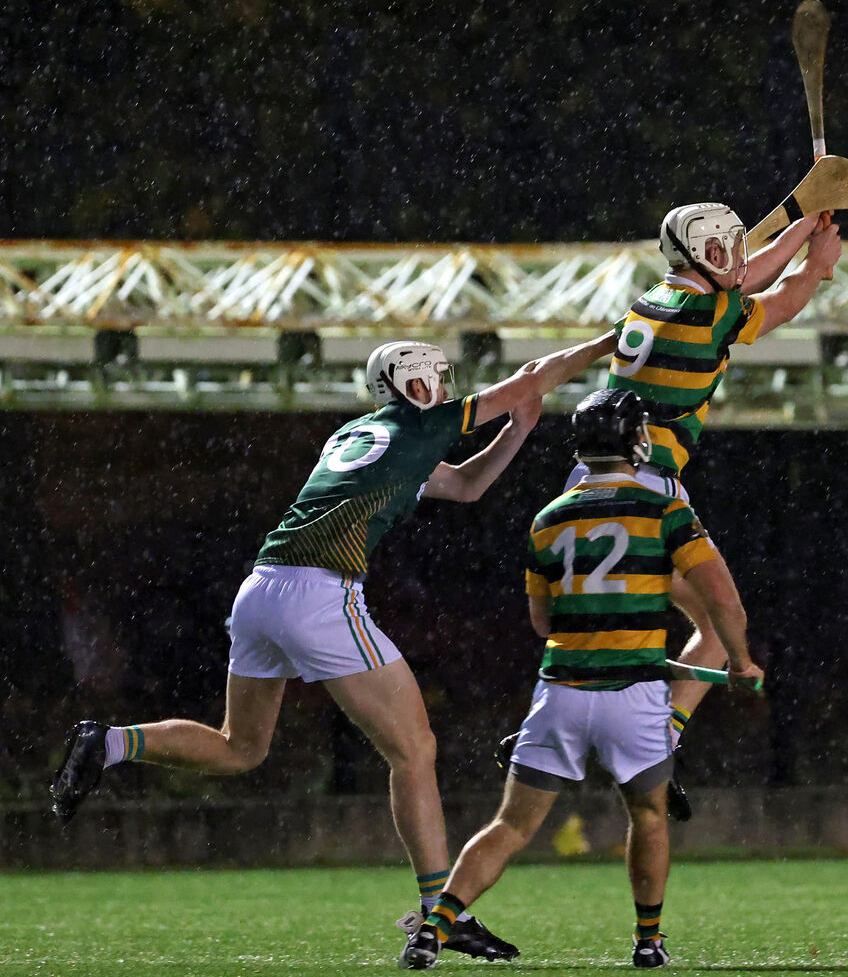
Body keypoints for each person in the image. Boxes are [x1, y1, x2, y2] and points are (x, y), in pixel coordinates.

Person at [50, 332, 615, 964]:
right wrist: (618, 335)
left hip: (261, 587)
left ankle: (111, 742)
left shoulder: (354, 434)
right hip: (319, 595)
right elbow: (539, 372)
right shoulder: (423, 421)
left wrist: (516, 430)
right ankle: (439, 911)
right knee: (415, 749)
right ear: (415, 384)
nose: (448, 388)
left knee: (242, 747)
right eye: (439, 378)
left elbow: (462, 486)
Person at [398, 388, 764, 970]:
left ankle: (433, 929)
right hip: (636, 695)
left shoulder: (547, 519)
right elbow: (725, 603)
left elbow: (544, 621)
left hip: (560, 691)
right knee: (646, 814)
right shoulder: (665, 511)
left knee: (511, 826)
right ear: (636, 441)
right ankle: (648, 941)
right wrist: (741, 664)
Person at [603, 200, 840, 774]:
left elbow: (743, 276)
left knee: (601, 620)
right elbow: (777, 301)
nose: (739, 257)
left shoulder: (655, 301)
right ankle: (654, 746)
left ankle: (565, 715)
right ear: (708, 253)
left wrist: (805, 228)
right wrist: (814, 268)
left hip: (590, 483)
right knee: (719, 623)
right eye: (729, 247)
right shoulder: (707, 314)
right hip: (649, 488)